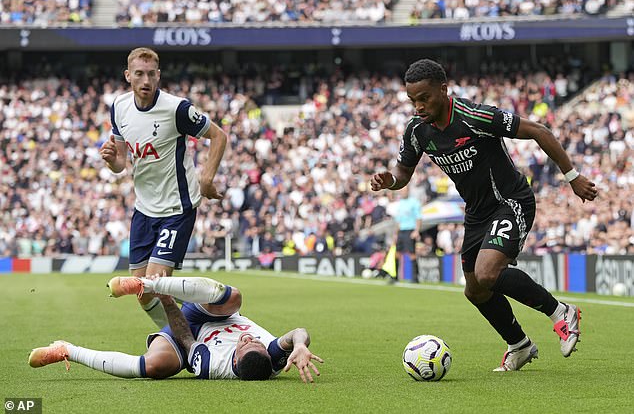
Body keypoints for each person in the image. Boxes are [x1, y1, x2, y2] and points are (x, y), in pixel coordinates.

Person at [370, 59, 598, 372]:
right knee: (475, 289)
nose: (419, 106)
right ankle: (519, 345)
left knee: (489, 273)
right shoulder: (417, 130)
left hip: (511, 200)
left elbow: (538, 130)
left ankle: (561, 312)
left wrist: (572, 177)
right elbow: (403, 171)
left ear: (444, 89)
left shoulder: (475, 116)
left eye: (425, 98)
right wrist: (390, 181)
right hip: (477, 214)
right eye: (413, 100)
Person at [99, 47, 227, 328]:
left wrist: (206, 179)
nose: (145, 81)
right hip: (144, 208)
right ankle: (193, 330)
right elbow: (121, 162)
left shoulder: (176, 109)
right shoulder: (119, 107)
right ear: (128, 76)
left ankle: (189, 343)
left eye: (151, 74)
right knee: (142, 292)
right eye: (139, 74)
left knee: (156, 283)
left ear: (158, 76)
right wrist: (111, 160)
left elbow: (218, 135)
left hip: (177, 206)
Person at [28, 275, 323, 383]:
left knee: (156, 366)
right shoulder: (270, 358)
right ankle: (146, 284)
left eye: (245, 343)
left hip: (192, 330)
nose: (249, 337)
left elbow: (184, 336)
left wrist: (168, 303)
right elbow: (298, 331)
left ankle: (67, 350)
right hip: (215, 311)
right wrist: (299, 345)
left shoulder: (212, 365)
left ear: (235, 360)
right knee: (235, 297)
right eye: (255, 341)